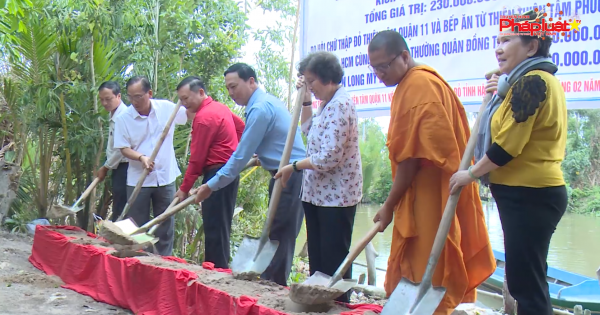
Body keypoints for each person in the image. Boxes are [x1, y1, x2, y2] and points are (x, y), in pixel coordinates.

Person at [367, 30, 496, 315]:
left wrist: (389, 205)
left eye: (383, 66)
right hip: (421, 190)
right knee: (418, 261)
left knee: (428, 260)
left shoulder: (420, 85)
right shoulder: (411, 83)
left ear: (403, 56)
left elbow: (412, 158)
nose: (378, 74)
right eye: (373, 68)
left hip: (429, 192)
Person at [449, 11, 566, 315]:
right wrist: (497, 94)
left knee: (526, 285)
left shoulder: (532, 83)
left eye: (507, 40)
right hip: (523, 193)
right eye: (497, 41)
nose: (498, 48)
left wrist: (469, 174)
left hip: (531, 194)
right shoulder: (519, 84)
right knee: (526, 280)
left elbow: (505, 149)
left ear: (532, 47)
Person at [194, 63, 306, 286]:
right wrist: (262, 156)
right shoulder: (265, 103)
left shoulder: (260, 109)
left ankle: (272, 286)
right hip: (282, 172)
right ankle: (272, 283)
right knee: (279, 232)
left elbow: (237, 159)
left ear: (251, 81)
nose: (231, 93)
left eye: (234, 86)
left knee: (280, 234)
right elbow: (265, 145)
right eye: (228, 89)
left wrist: (210, 186)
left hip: (292, 174)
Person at [274, 51, 363, 303]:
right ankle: (319, 303)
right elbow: (307, 129)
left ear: (328, 77)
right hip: (317, 195)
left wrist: (294, 166)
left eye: (311, 81)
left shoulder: (341, 105)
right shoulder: (326, 104)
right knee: (318, 258)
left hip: (336, 196)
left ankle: (338, 305)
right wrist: (304, 100)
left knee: (334, 259)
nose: (310, 87)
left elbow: (328, 157)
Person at [113, 75, 188, 256]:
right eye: (131, 97)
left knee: (165, 224)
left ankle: (164, 262)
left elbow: (190, 114)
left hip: (165, 177)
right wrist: (141, 158)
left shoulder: (167, 108)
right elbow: (123, 148)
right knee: (137, 225)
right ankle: (141, 261)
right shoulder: (124, 118)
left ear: (149, 93)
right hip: (138, 178)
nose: (134, 101)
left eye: (138, 96)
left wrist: (190, 98)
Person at [175, 76, 245, 268]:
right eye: (181, 100)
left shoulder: (204, 118)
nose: (184, 104)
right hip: (228, 170)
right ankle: (218, 267)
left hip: (218, 172)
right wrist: (235, 151)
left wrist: (184, 188)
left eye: (186, 98)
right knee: (221, 224)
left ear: (200, 92)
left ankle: (216, 269)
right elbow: (241, 127)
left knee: (215, 225)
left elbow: (196, 159)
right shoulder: (220, 107)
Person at [96, 81, 129, 221]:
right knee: (119, 201)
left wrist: (106, 167)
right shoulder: (113, 115)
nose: (104, 103)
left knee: (122, 204)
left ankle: (121, 237)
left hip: (126, 166)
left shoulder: (124, 116)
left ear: (118, 96)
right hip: (118, 166)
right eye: (101, 99)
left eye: (108, 99)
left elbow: (120, 149)